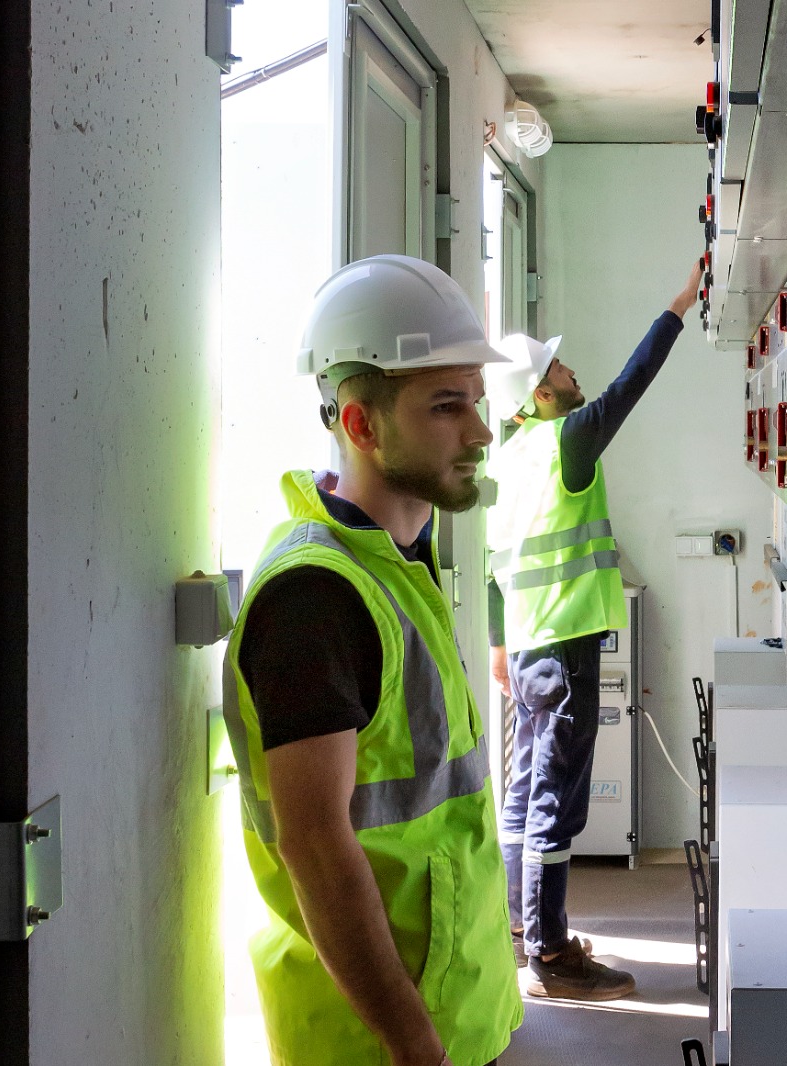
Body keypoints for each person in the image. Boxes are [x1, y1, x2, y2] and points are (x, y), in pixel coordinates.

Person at [224, 255, 522, 1066]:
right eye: (446, 405)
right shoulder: (315, 598)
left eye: (477, 401)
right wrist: (413, 1044)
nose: (480, 431)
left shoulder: (398, 561)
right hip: (376, 1043)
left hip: (452, 1017)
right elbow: (316, 850)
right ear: (361, 424)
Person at [483, 260, 703, 1001]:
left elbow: (493, 565)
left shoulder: (509, 459)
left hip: (525, 646)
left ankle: (519, 931)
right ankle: (549, 956)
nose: (572, 371)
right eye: (559, 367)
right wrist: (677, 305)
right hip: (565, 645)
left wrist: (497, 646)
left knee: (523, 792)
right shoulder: (565, 442)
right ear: (542, 393)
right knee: (556, 801)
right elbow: (629, 386)